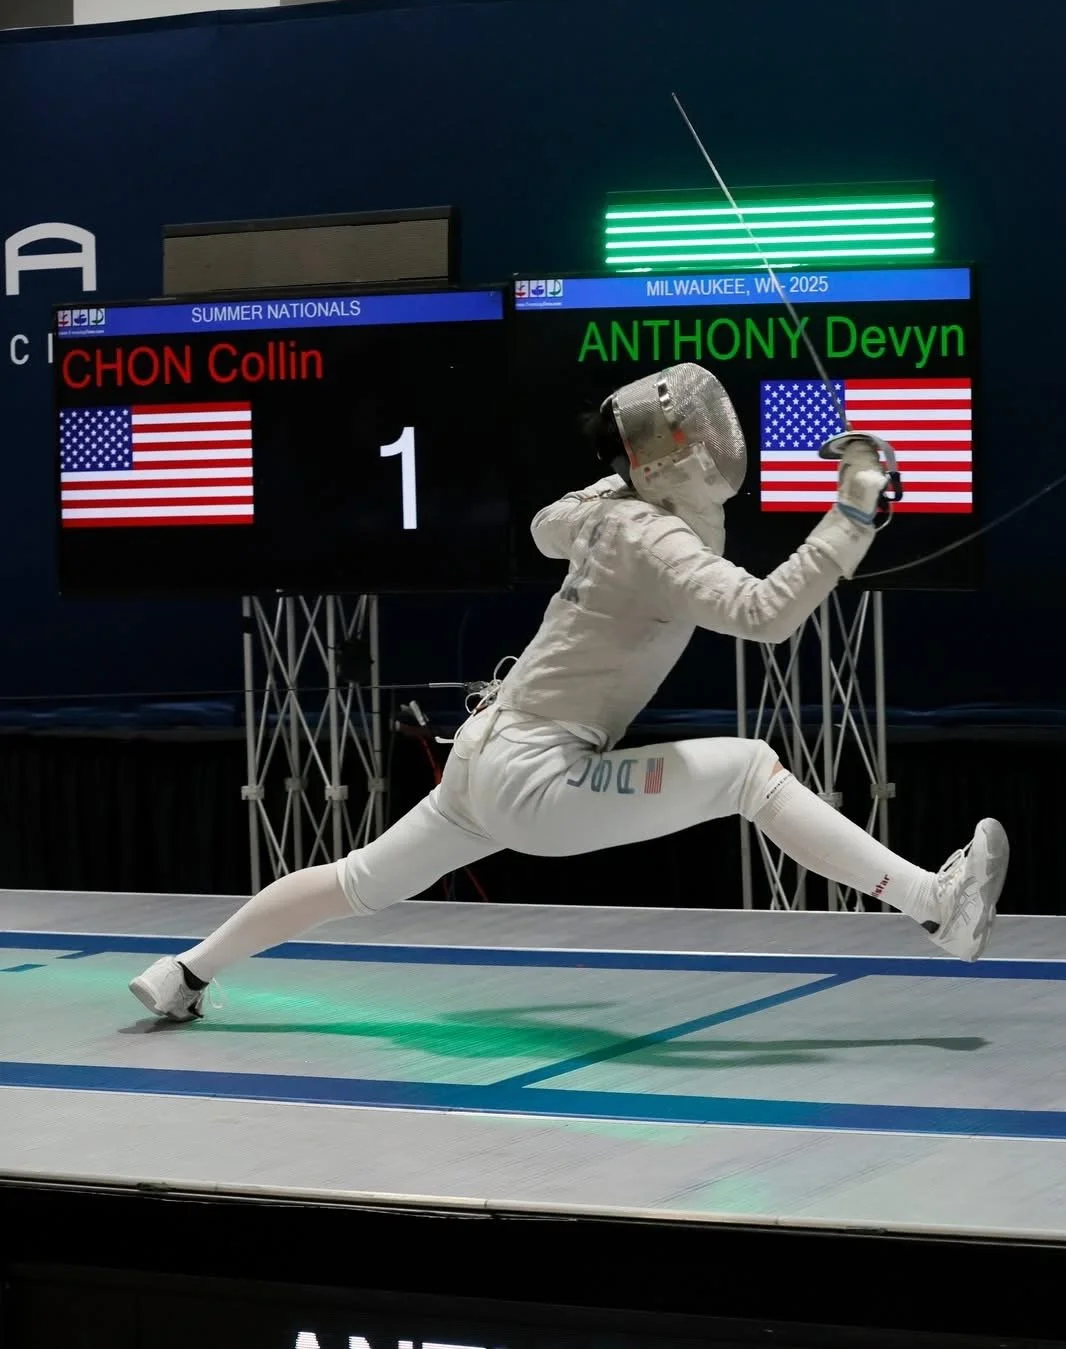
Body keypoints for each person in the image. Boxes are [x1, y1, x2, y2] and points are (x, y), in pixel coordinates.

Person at [131, 363, 1008, 1022]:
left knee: (355, 879)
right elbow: (765, 612)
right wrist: (851, 516)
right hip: (535, 777)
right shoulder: (657, 544)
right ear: (678, 459)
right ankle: (938, 906)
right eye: (693, 436)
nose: (710, 442)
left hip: (481, 761)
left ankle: (185, 972)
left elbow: (548, 526)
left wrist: (617, 481)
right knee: (749, 773)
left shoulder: (604, 514)